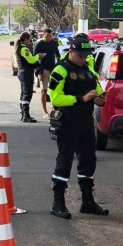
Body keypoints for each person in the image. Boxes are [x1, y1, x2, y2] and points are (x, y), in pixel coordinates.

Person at [46, 33, 109, 219]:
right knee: (65, 160)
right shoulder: (61, 70)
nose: (83, 58)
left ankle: (87, 201)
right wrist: (81, 98)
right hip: (68, 121)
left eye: (86, 55)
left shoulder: (89, 69)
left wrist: (100, 99)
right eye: (80, 55)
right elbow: (55, 99)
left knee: (89, 161)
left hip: (86, 122)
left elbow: (98, 91)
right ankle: (58, 203)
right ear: (71, 51)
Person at [15, 31, 41, 123]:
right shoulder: (24, 49)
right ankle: (26, 115)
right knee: (27, 93)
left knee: (23, 93)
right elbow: (31, 60)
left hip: (22, 72)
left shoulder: (20, 47)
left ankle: (23, 113)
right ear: (26, 39)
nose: (30, 41)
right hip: (26, 73)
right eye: (30, 39)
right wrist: (38, 56)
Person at [34, 28, 61, 114]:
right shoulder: (39, 45)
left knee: (55, 90)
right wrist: (39, 71)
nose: (49, 38)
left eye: (50, 36)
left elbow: (58, 55)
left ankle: (55, 109)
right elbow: (35, 59)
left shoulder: (54, 43)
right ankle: (45, 112)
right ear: (43, 35)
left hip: (53, 69)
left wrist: (59, 65)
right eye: (47, 36)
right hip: (43, 70)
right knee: (44, 91)